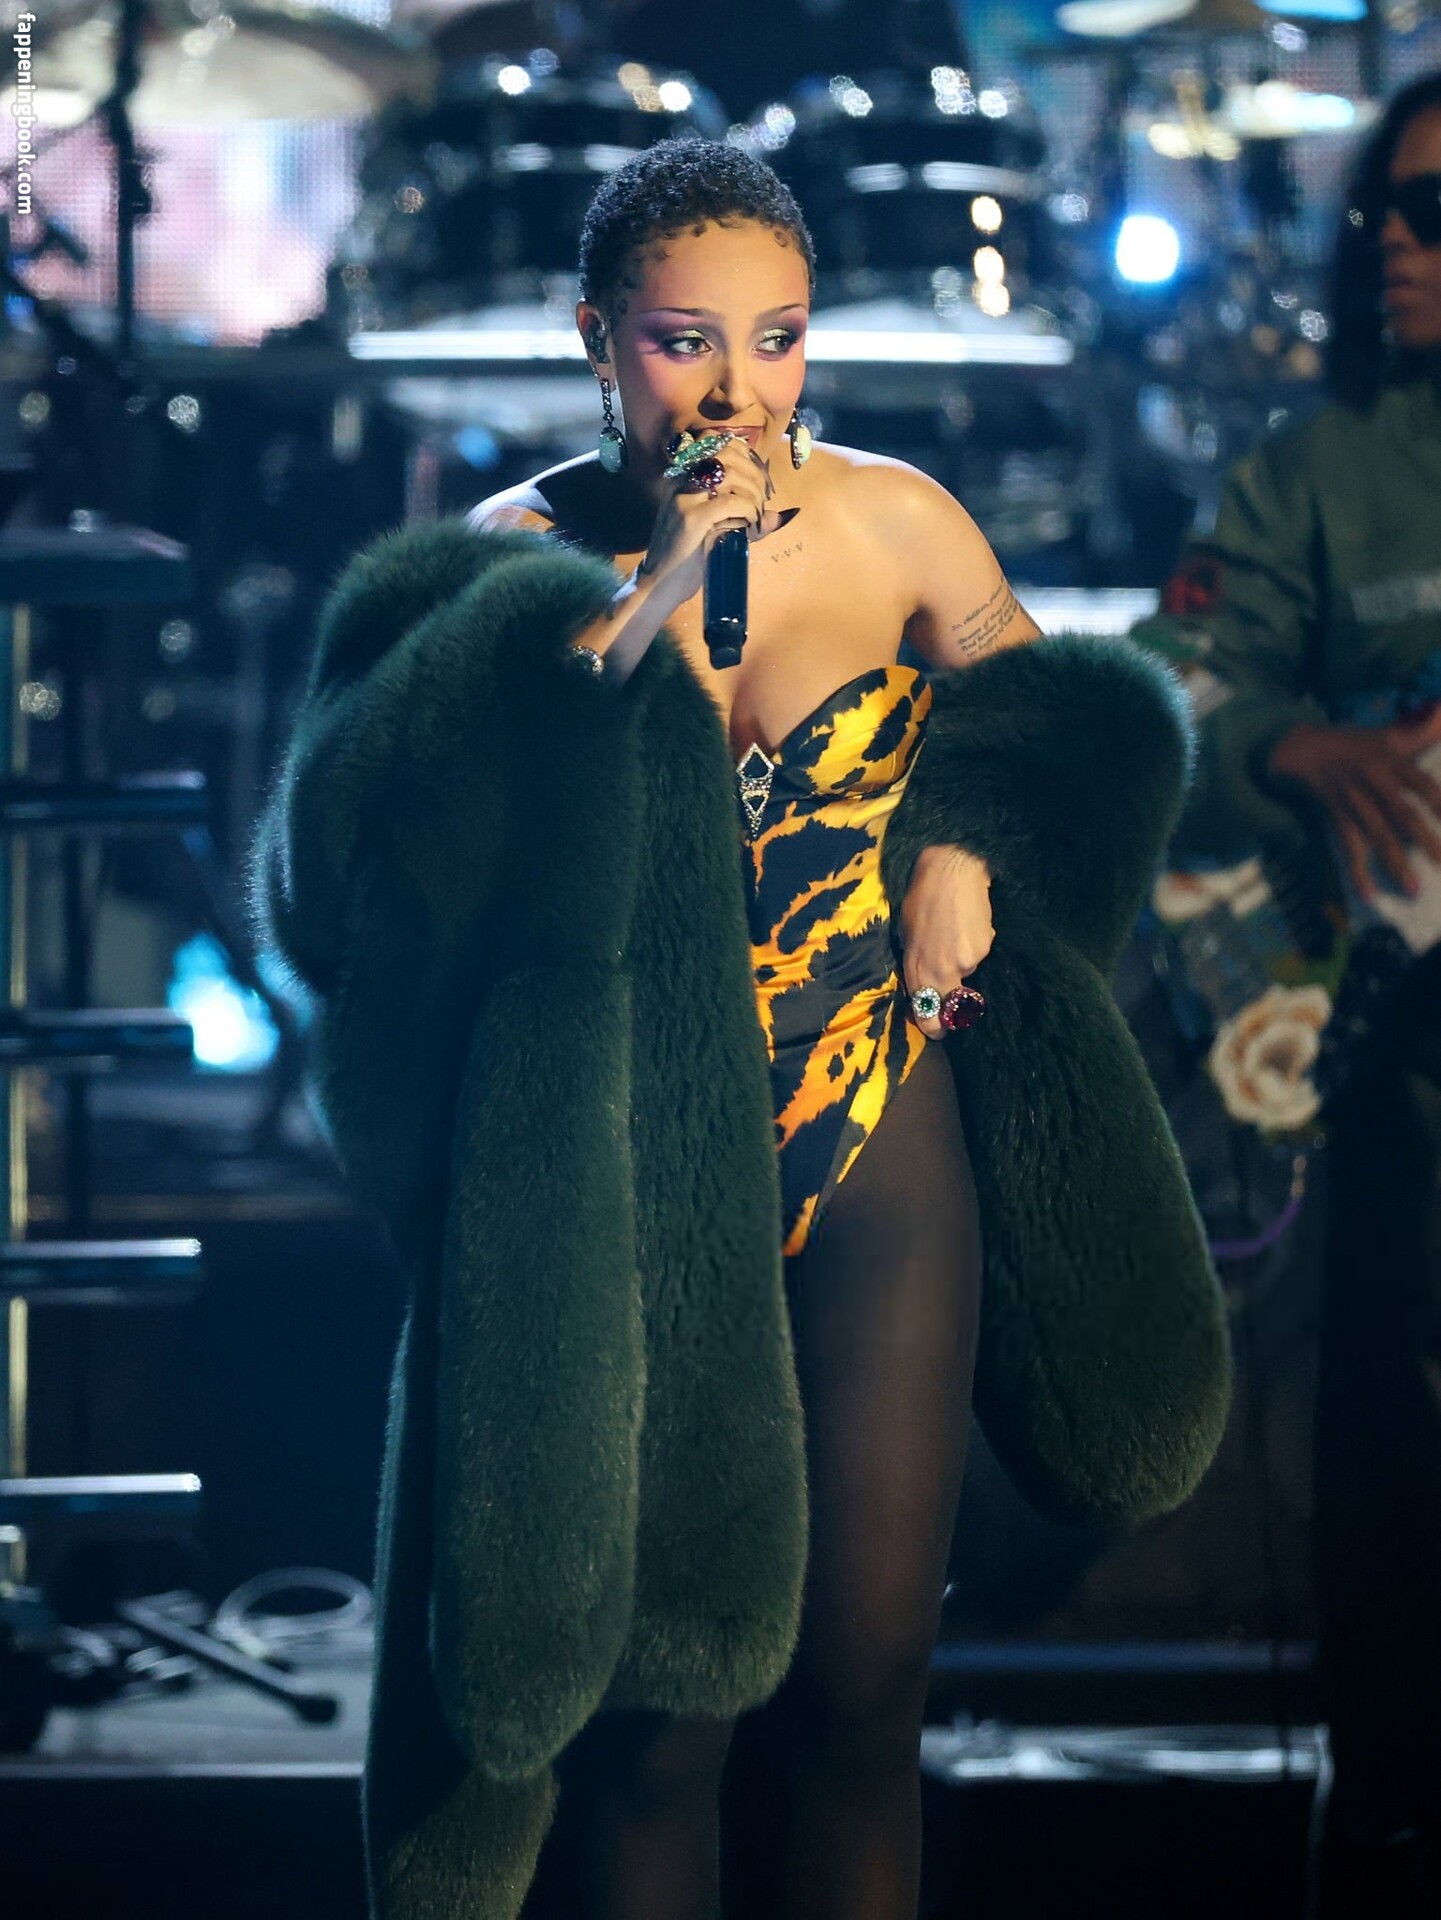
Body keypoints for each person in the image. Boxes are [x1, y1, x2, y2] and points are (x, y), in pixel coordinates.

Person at [253, 139, 1230, 1920]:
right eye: (682, 340)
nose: (735, 392)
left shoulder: (902, 521)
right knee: (655, 1735)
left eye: (774, 339)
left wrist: (964, 847)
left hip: (877, 1135)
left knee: (861, 1704)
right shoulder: (515, 558)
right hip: (637, 1166)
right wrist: (661, 583)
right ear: (595, 340)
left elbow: (1068, 738)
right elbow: (375, 866)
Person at [1162, 72, 1441, 1920]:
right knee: (1400, 1456)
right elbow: (1170, 685)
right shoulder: (1314, 472)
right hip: (1408, 1073)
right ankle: (1392, 1817)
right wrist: (1298, 744)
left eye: (1438, 216)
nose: (1395, 246)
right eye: (1380, 215)